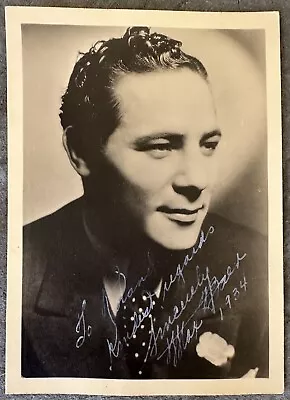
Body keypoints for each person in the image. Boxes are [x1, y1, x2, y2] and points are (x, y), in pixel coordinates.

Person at [22, 26, 268, 379]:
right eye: (161, 147)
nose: (197, 180)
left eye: (208, 145)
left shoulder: (261, 266)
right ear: (81, 151)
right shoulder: (16, 273)